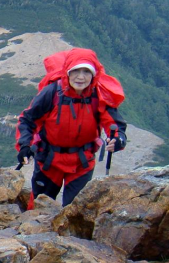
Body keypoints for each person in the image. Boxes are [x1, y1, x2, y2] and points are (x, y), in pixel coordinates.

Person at [15, 48, 127, 206]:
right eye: (76, 71)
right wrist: (24, 145)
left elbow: (114, 125)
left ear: (94, 75)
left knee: (76, 211)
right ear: (67, 71)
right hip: (49, 160)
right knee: (40, 208)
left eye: (86, 72)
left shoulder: (99, 95)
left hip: (82, 163)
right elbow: (28, 119)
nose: (81, 77)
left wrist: (118, 139)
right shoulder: (52, 92)